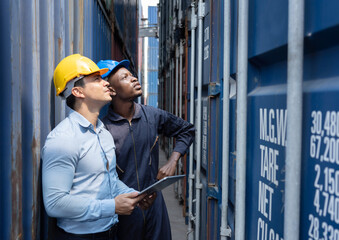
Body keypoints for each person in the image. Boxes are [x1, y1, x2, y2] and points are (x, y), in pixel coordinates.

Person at [42, 54, 153, 240]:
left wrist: (132, 195)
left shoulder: (103, 132)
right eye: (97, 79)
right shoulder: (63, 139)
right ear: (78, 92)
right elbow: (55, 204)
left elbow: (107, 180)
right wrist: (112, 206)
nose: (106, 83)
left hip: (110, 232)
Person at [97, 59, 195, 240]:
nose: (134, 79)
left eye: (132, 74)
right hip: (125, 212)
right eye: (125, 77)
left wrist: (173, 160)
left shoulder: (151, 115)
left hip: (155, 207)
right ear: (111, 90)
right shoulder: (104, 130)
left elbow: (186, 130)